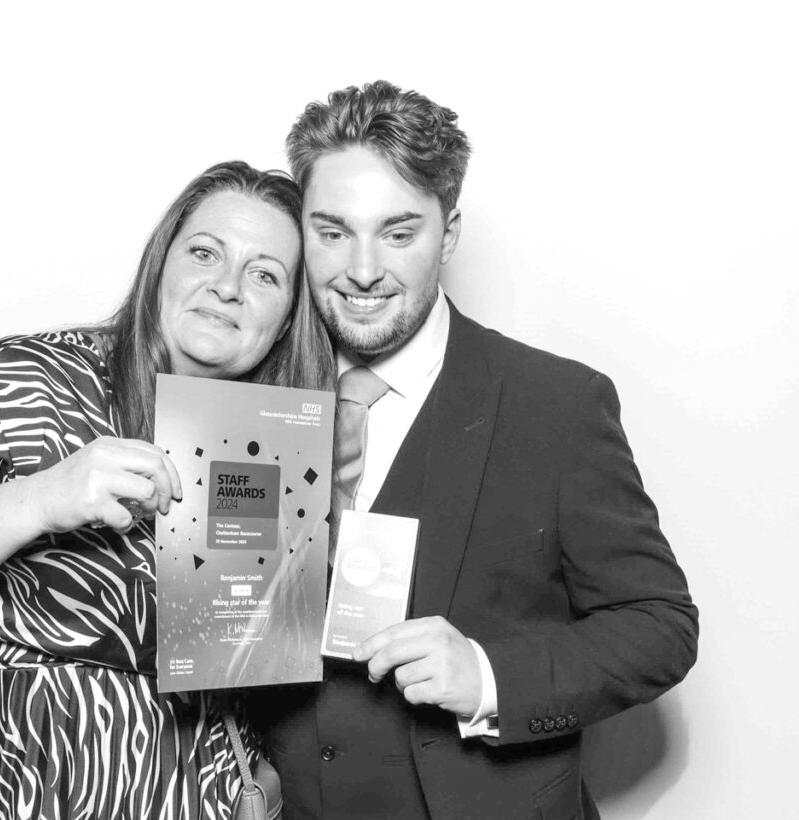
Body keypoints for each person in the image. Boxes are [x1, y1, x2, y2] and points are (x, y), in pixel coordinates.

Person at [0, 161, 334, 820]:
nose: (227, 287)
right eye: (205, 253)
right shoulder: (18, 383)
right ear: (159, 265)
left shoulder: (276, 447)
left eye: (265, 274)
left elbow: (260, 676)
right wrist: (39, 499)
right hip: (0, 796)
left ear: (286, 318)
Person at [247, 81, 699, 819]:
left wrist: (490, 676)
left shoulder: (555, 405)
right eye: (332, 232)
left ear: (448, 233)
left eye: (399, 233)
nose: (362, 271)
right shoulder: (248, 399)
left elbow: (660, 625)